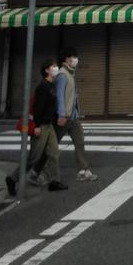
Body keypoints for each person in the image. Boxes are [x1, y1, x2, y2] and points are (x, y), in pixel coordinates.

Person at [6, 59, 68, 195]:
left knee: (54, 153)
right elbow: (37, 108)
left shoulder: (52, 85)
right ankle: (12, 179)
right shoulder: (43, 86)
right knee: (34, 158)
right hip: (41, 126)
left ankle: (54, 182)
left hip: (49, 125)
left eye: (56, 66)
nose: (56, 68)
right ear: (47, 70)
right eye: (53, 66)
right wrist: (37, 126)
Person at [56, 47, 98, 181]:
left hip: (73, 117)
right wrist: (61, 115)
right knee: (51, 145)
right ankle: (36, 171)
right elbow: (59, 96)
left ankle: (83, 170)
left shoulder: (71, 73)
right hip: (65, 117)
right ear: (66, 59)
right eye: (73, 57)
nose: (75, 59)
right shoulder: (62, 74)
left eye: (75, 57)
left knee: (79, 142)